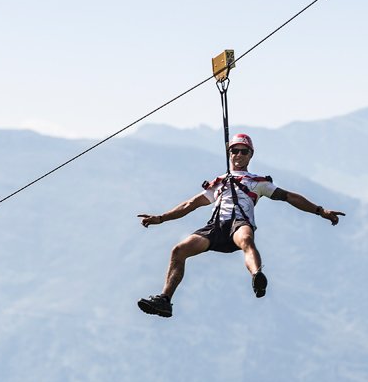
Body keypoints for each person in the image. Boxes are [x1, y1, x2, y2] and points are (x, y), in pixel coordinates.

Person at [135, 133, 345, 318]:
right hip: (215, 228)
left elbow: (289, 197)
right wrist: (161, 218)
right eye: (235, 150)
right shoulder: (218, 183)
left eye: (244, 151)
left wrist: (320, 211)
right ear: (230, 153)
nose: (239, 154)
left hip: (239, 223)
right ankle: (165, 300)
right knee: (178, 250)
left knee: (246, 239)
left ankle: (257, 276)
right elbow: (189, 204)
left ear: (250, 155)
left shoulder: (258, 182)